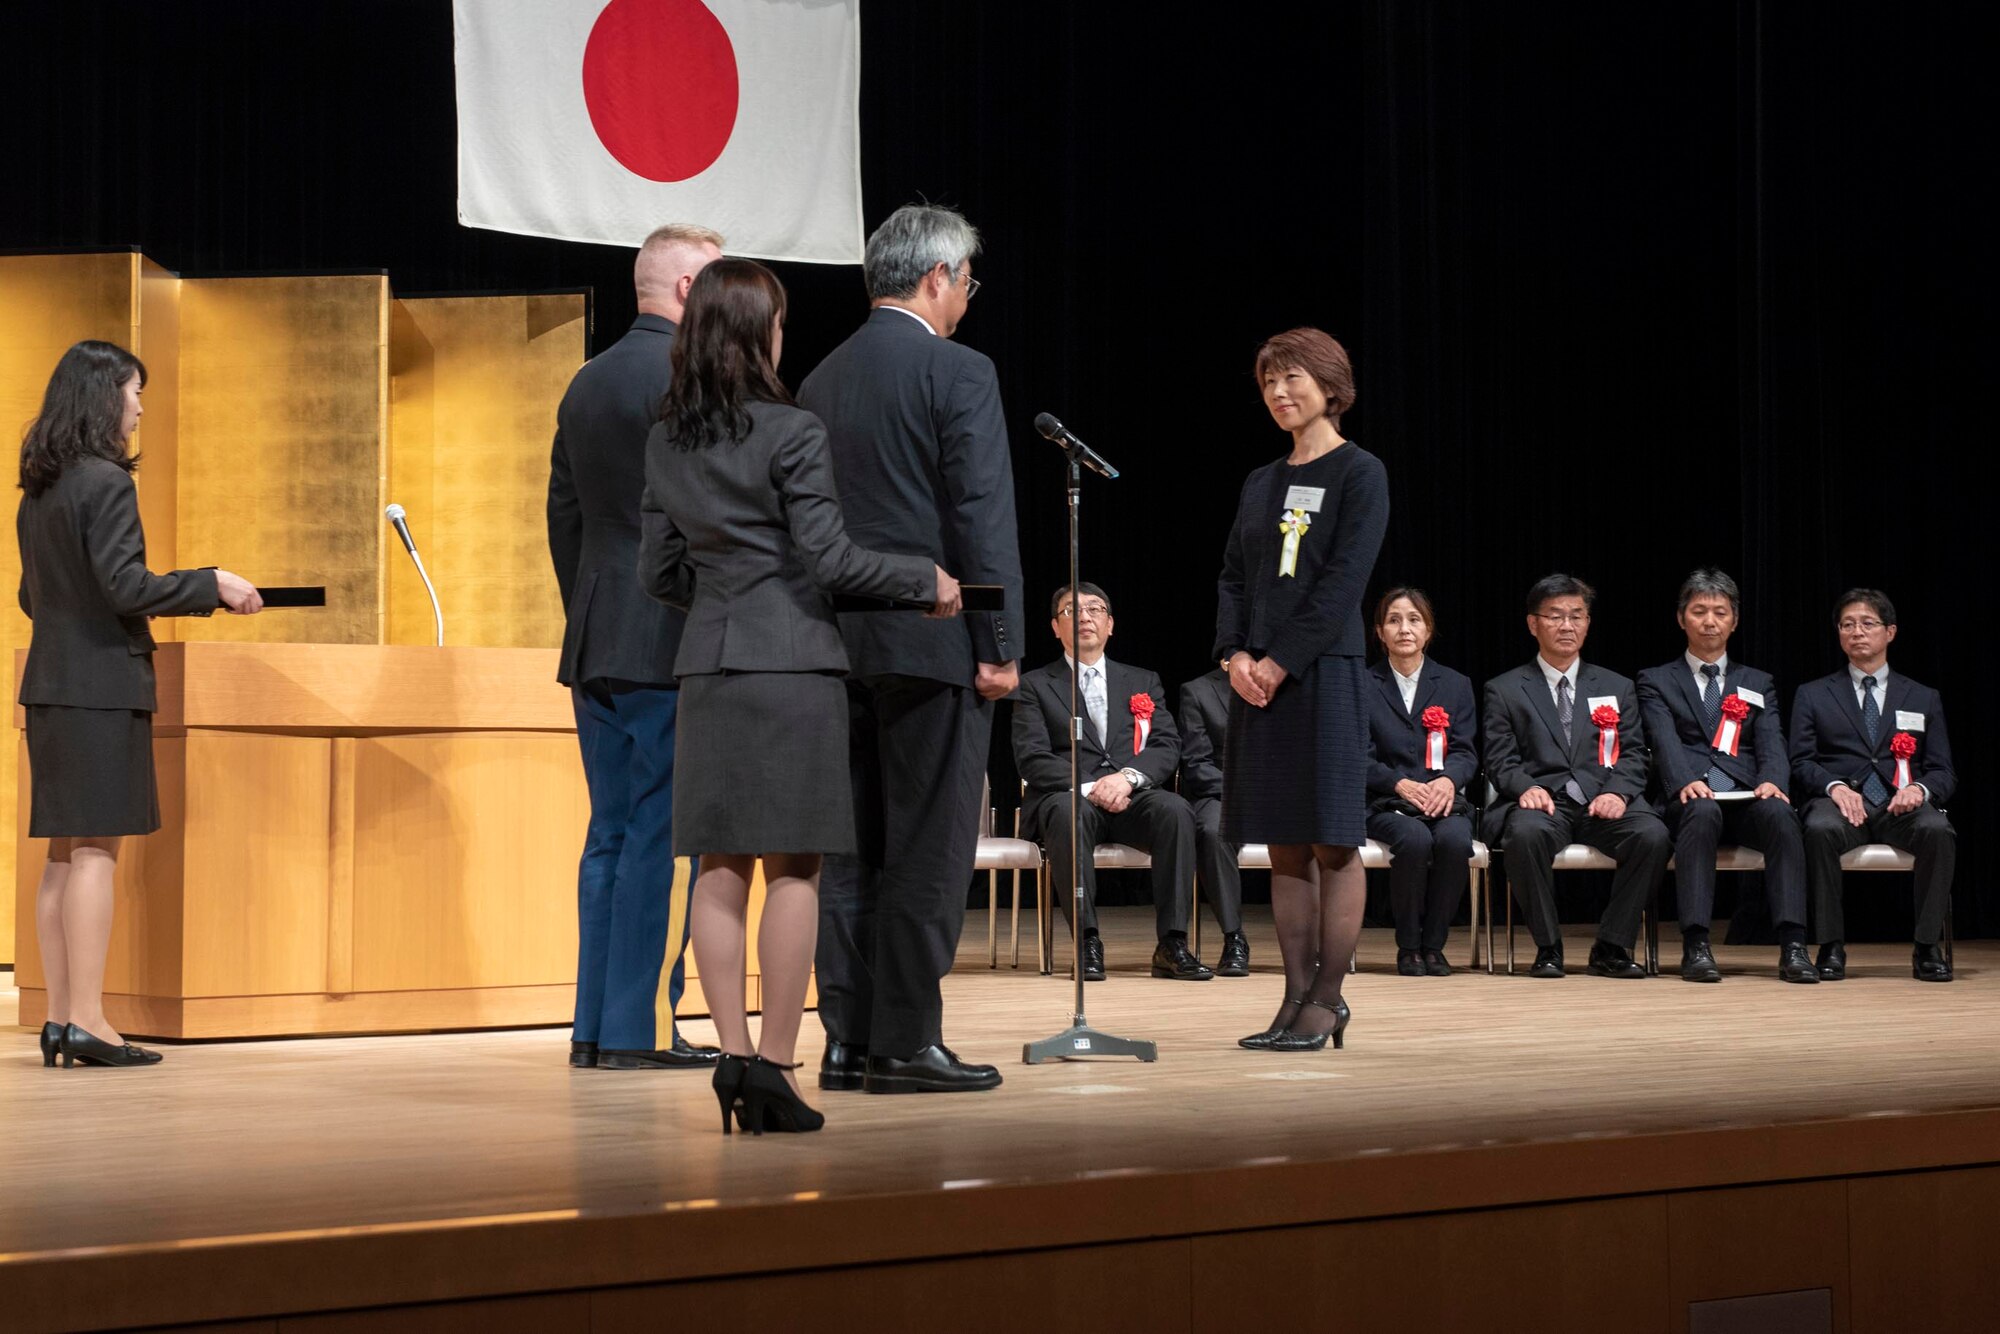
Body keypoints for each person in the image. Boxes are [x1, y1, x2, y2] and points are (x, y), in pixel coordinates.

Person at [637, 259, 961, 1134]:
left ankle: (733, 1057)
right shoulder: (792, 430)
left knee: (716, 867)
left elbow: (658, 571)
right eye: (778, 321)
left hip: (709, 668)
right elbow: (832, 560)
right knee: (796, 869)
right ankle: (777, 1066)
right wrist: (922, 581)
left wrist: (723, 605)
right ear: (758, 332)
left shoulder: (668, 437)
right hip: (793, 671)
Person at [798, 204, 1024, 1095]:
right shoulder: (957, 370)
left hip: (832, 645)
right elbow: (979, 514)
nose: (968, 297)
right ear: (937, 278)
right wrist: (998, 643)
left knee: (849, 852)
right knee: (928, 848)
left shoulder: (818, 378)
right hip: (932, 646)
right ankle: (905, 1042)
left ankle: (848, 1040)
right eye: (967, 281)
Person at [16, 340, 263, 1069]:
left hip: (52, 686)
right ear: (104, 397)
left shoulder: (41, 490)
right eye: (134, 392)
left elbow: (34, 597)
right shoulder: (105, 483)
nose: (140, 406)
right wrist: (209, 581)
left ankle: (62, 1018)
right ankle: (90, 1019)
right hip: (100, 688)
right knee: (95, 852)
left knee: (64, 855)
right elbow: (126, 586)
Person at [548, 222, 724, 1071]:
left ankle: (595, 1027)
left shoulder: (584, 381)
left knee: (610, 834)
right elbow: (705, 515)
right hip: (669, 635)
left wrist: (587, 605)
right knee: (661, 833)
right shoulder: (690, 377)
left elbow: (563, 515)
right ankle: (643, 1027)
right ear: (689, 290)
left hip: (596, 635)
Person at [1214, 328, 1388, 1052]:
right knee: (1283, 847)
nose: (1280, 394)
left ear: (1329, 385)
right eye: (1268, 384)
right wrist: (1232, 656)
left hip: (1325, 676)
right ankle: (1291, 999)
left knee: (1333, 843)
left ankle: (1328, 1000)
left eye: (1292, 380)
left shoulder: (1360, 473)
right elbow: (1232, 577)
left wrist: (1279, 661)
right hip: (1259, 682)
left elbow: (1343, 583)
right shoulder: (1261, 480)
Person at [1012, 583, 1210, 982]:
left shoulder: (1142, 680)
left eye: (1095, 609)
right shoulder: (1034, 684)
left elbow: (1166, 744)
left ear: (1111, 624)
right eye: (1072, 611)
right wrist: (1091, 787)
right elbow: (1031, 758)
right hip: (1071, 798)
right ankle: (1087, 941)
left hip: (1132, 796)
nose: (1085, 617)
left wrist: (1126, 779)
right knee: (1069, 813)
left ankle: (1172, 943)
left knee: (1176, 810)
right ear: (1055, 627)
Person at [1481, 574, 1669, 979]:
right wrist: (1525, 787)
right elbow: (1499, 758)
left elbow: (1635, 752)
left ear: (1587, 623)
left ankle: (1612, 946)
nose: (1567, 626)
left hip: (1603, 799)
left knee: (1652, 836)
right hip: (1543, 802)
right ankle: (1548, 947)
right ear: (1533, 624)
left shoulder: (1617, 686)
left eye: (1576, 616)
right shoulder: (1505, 689)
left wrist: (1618, 792)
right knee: (1524, 835)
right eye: (1555, 616)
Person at [1635, 569, 1817, 984]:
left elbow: (1772, 740)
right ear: (1682, 619)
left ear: (1734, 620)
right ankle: (1696, 943)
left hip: (1748, 795)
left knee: (1782, 815)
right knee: (1700, 813)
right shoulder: (1656, 680)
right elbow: (1663, 741)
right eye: (1699, 611)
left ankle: (1793, 943)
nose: (1710, 621)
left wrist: (1773, 780)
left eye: (1720, 612)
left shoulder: (1758, 682)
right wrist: (1684, 780)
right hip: (1691, 798)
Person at [1789, 589, 1956, 982]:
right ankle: (1830, 946)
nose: (1857, 632)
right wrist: (1833, 786)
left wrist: (1920, 790)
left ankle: (1927, 946)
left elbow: (1943, 770)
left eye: (1867, 624)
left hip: (1901, 806)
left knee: (1938, 831)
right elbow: (1801, 762)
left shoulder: (1922, 697)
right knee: (1819, 828)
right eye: (1847, 625)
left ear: (1890, 632)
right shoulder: (1813, 694)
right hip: (1843, 805)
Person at [1362, 587, 1478, 977]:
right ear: (1380, 632)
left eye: (1414, 620)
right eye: (1394, 620)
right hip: (1385, 801)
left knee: (1454, 840)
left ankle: (1434, 946)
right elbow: (1356, 756)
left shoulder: (1455, 684)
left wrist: (1448, 781)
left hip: (1442, 799)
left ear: (1428, 630)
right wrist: (1398, 783)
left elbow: (1465, 750)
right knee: (1413, 839)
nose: (1404, 629)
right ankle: (1409, 946)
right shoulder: (1362, 685)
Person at [1176, 664, 1249, 975]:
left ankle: (1311, 944)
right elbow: (1196, 763)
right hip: (1221, 793)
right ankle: (1234, 938)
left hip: (1278, 794)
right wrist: (1242, 793)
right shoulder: (1198, 691)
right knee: (1211, 831)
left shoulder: (1284, 684)